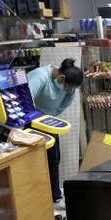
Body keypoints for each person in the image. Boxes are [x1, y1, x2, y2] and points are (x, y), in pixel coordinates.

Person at [27, 58, 84, 203]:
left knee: (54, 159)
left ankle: (55, 196)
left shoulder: (69, 86)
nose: (67, 90)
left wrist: (53, 114)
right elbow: (26, 99)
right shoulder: (40, 76)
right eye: (66, 86)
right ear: (61, 77)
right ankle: (34, 197)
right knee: (33, 160)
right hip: (30, 120)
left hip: (47, 121)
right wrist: (33, 119)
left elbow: (67, 100)